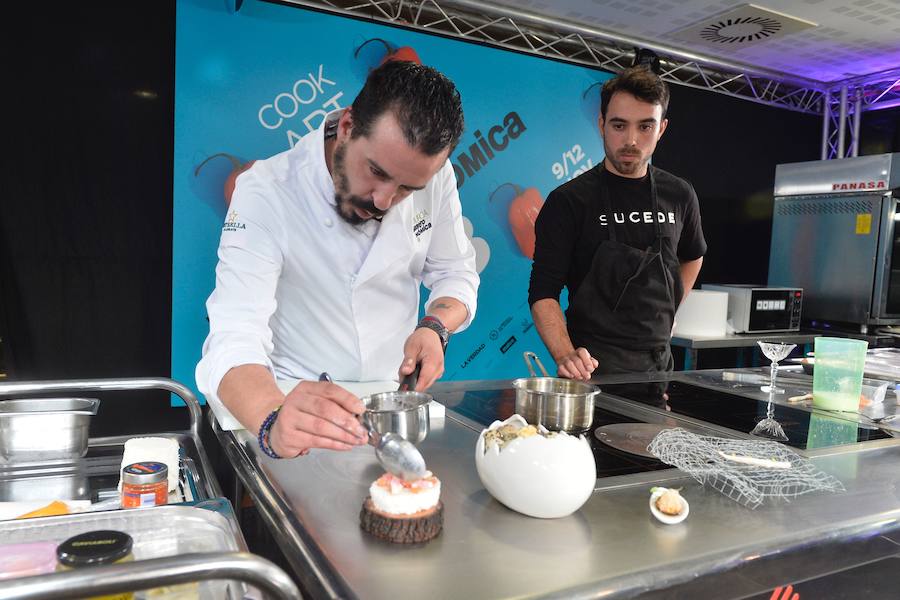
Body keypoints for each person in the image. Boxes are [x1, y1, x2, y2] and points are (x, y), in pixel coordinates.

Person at [196, 61, 479, 459]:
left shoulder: (436, 175)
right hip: (297, 409)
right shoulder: (266, 192)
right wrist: (273, 421)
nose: (384, 200)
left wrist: (434, 327)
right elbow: (234, 336)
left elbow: (455, 271)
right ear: (347, 125)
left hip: (388, 409)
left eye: (407, 188)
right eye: (376, 171)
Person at [528, 66, 705, 391]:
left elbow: (693, 255)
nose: (631, 140)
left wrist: (672, 309)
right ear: (601, 124)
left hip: (657, 372)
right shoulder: (568, 201)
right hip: (589, 371)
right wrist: (566, 355)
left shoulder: (680, 195)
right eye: (619, 125)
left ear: (661, 128)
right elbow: (543, 292)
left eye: (645, 126)